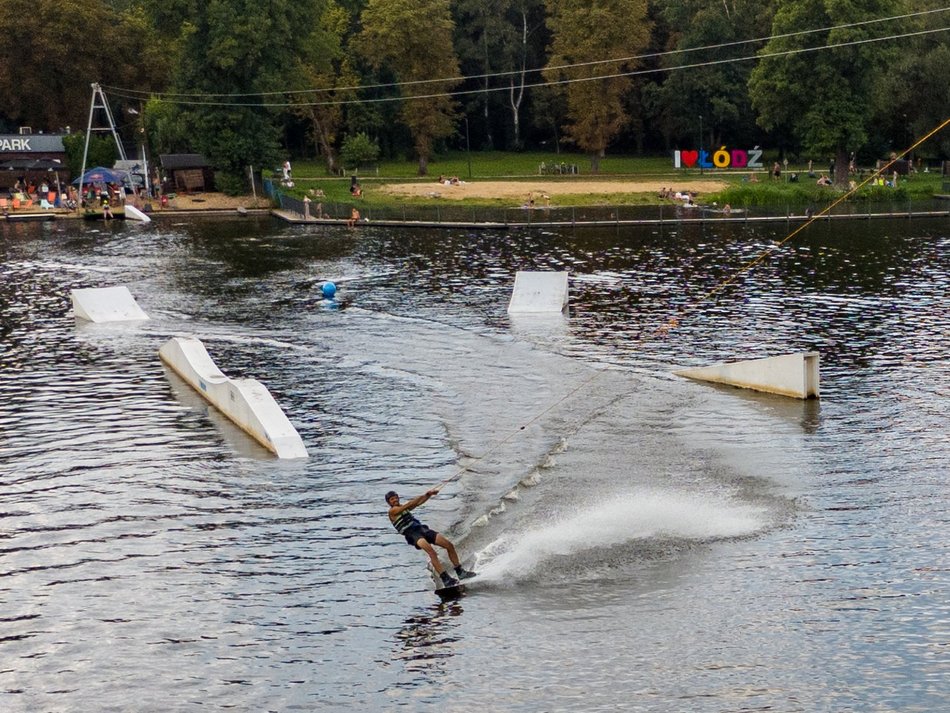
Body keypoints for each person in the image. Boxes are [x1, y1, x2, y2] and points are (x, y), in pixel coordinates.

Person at [386, 489, 475, 588]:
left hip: (421, 529)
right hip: (413, 535)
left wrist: (428, 495)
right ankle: (445, 579)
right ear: (389, 502)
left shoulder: (403, 508)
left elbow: (418, 503)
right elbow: (411, 503)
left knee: (449, 545)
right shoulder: (392, 511)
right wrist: (423, 495)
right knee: (432, 552)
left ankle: (460, 572)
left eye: (395, 498)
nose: (394, 500)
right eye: (391, 499)